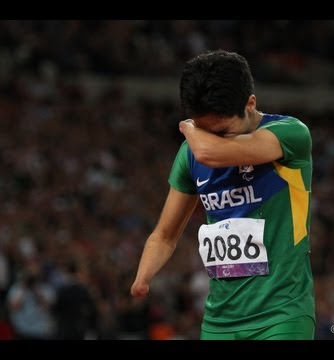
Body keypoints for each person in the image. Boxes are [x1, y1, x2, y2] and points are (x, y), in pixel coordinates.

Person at [131, 49, 315, 340]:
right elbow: (165, 235)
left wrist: (189, 127)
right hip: (219, 322)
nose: (211, 138)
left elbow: (209, 152)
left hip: (281, 316)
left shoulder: (290, 134)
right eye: (205, 130)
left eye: (223, 131)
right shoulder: (190, 153)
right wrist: (143, 277)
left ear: (250, 104)